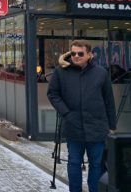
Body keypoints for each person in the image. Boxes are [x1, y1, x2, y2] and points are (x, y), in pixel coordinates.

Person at [47, 40, 116, 192]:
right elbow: (52, 94)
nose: (76, 56)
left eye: (80, 53)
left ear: (89, 55)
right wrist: (66, 113)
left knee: (97, 164)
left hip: (97, 128)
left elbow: (109, 101)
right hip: (73, 126)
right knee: (74, 163)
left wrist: (112, 126)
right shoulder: (61, 72)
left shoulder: (101, 73)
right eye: (73, 53)